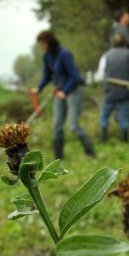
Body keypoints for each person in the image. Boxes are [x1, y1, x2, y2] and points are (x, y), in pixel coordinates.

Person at [30, 30, 96, 160]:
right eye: (40, 44)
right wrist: (39, 88)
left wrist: (64, 91)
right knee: (57, 126)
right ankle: (59, 158)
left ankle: (90, 153)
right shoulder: (47, 56)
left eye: (43, 43)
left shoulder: (64, 54)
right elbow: (47, 75)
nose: (41, 46)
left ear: (49, 42)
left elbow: (75, 77)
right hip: (59, 93)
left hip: (73, 91)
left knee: (73, 125)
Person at [94, 35, 129, 142]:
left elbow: (100, 76)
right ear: (124, 44)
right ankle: (124, 140)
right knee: (124, 116)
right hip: (125, 91)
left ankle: (103, 139)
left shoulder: (106, 56)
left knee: (105, 116)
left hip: (110, 92)